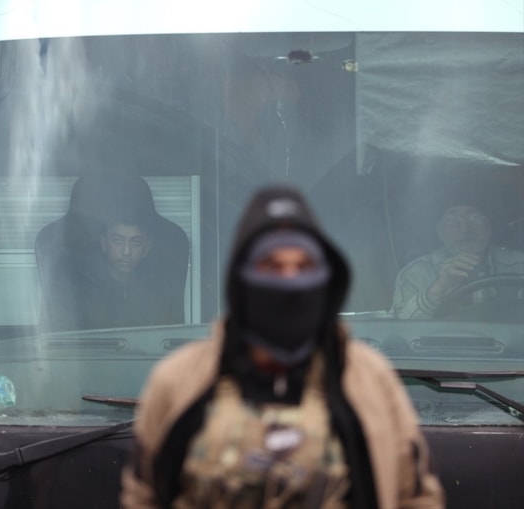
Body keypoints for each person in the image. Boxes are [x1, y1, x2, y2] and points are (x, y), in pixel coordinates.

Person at [120, 185, 444, 508]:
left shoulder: (370, 380)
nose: (290, 282)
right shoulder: (178, 381)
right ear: (241, 278)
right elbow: (142, 496)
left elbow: (416, 497)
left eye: (303, 267)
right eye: (272, 266)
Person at [36, 173, 188, 331]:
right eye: (118, 241)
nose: (126, 251)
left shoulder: (158, 295)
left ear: (147, 248)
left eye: (136, 242)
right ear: (104, 244)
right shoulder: (80, 296)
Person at [391, 205, 524, 319]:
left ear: (488, 227)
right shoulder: (415, 273)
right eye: (451, 221)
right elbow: (399, 330)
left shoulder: (519, 265)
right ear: (440, 232)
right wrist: (439, 288)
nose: (465, 230)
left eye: (474, 218)